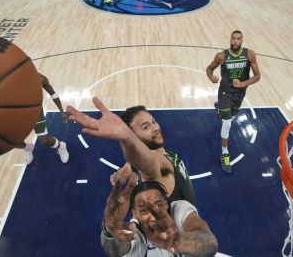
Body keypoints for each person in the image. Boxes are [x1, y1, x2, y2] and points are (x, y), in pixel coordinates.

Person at [67, 98, 196, 206]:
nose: (155, 128)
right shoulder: (156, 165)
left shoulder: (154, 155)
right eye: (146, 127)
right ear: (134, 136)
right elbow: (147, 162)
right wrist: (127, 139)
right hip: (180, 233)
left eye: (153, 121)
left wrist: (120, 175)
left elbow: (128, 168)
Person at [100, 169, 218, 256]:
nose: (153, 216)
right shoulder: (137, 230)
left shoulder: (178, 209)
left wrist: (179, 243)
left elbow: (210, 243)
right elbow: (115, 251)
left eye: (158, 205)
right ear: (135, 214)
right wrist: (109, 231)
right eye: (144, 210)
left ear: (166, 203)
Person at [205, 30, 261, 173]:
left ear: (242, 41)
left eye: (238, 39)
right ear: (230, 40)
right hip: (225, 93)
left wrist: (243, 84)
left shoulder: (250, 54)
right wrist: (211, 78)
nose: (236, 41)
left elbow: (257, 76)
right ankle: (224, 152)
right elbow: (209, 69)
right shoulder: (221, 56)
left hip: (240, 93)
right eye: (233, 39)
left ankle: (221, 110)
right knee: (227, 123)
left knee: (233, 117)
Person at [19, 73, 69, 164]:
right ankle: (28, 148)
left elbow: (53, 94)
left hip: (36, 112)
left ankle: (61, 146)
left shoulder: (40, 78)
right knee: (11, 140)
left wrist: (62, 111)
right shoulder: (7, 81)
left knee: (44, 140)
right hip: (19, 113)